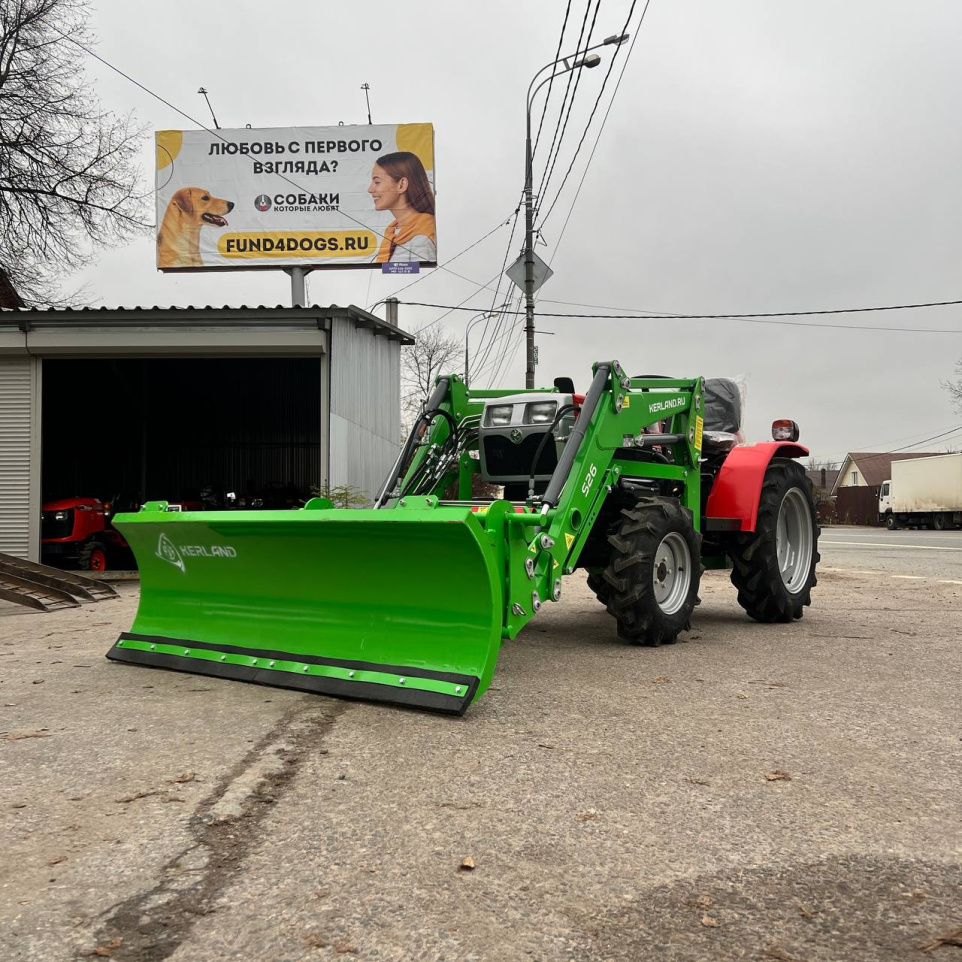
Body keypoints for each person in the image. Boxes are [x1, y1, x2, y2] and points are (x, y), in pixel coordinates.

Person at [368, 151, 437, 263]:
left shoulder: (421, 238)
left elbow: (423, 278)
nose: (370, 189)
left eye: (377, 182)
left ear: (401, 185)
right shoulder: (392, 233)